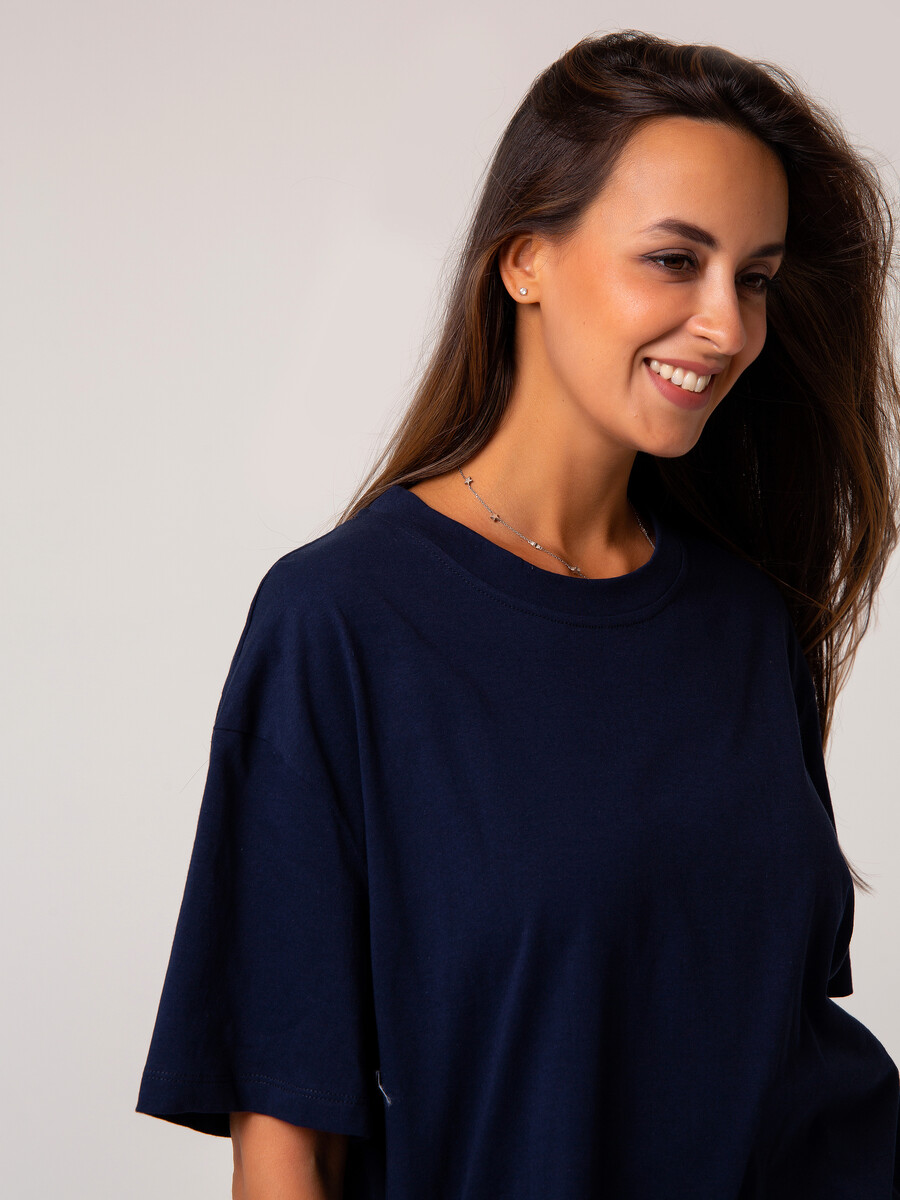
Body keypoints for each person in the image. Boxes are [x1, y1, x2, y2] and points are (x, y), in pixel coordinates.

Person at [136, 29, 900, 1199]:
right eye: (675, 259)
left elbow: (775, 1053)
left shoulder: (747, 623)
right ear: (525, 260)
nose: (729, 325)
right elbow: (288, 1143)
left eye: (753, 277)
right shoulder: (343, 624)